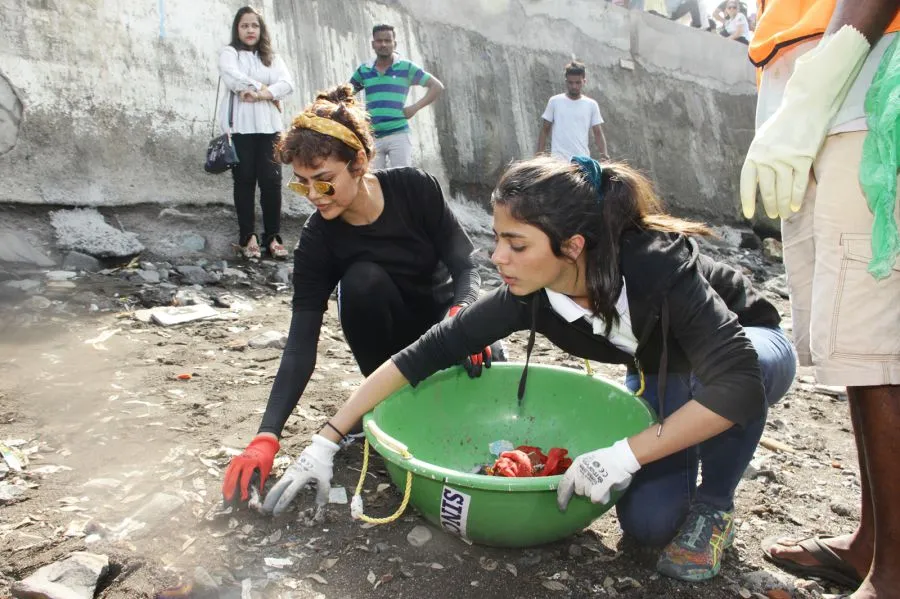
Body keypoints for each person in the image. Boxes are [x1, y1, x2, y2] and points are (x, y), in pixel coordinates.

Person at [261, 155, 797, 583]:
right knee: (650, 525)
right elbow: (421, 355)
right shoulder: (530, 291)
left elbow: (739, 379)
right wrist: (327, 439)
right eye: (497, 240)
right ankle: (676, 424)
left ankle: (715, 504)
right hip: (661, 368)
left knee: (724, 384)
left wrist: (622, 453)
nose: (498, 258)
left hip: (748, 346)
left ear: (572, 247)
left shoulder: (655, 264)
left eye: (516, 244)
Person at [221, 84, 501, 508]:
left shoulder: (414, 188)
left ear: (359, 164)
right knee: (361, 281)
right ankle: (388, 399)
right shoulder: (317, 242)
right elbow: (300, 345)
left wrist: (463, 318)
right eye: (302, 185)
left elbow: (466, 265)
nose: (314, 196)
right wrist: (267, 435)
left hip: (450, 328)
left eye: (325, 182)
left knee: (491, 403)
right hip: (390, 353)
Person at [741, 1, 900, 596]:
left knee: (878, 341)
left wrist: (816, 86)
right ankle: (871, 544)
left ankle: (893, 577)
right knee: (854, 347)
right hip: (810, 80)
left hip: (863, 74)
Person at [218, 6, 294, 260]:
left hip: (270, 129)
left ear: (261, 30)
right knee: (245, 181)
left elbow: (287, 84)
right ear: (237, 29)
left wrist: (261, 94)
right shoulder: (230, 53)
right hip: (241, 129)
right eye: (245, 25)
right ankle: (247, 237)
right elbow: (231, 77)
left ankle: (272, 237)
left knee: (272, 183)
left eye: (255, 25)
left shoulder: (271, 57)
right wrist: (264, 86)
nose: (250, 30)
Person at [349, 24, 445, 170]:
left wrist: (414, 108)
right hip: (372, 136)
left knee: (402, 179)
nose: (383, 44)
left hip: (398, 133)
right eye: (379, 41)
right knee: (375, 182)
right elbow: (346, 93)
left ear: (395, 43)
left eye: (388, 40)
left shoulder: (406, 68)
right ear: (373, 44)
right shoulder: (364, 70)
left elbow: (437, 86)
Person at [536, 61, 608, 161]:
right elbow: (544, 130)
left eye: (578, 82)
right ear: (566, 82)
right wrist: (539, 157)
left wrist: (605, 156)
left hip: (582, 162)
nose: (574, 86)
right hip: (558, 162)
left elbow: (598, 133)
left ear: (584, 81)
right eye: (570, 82)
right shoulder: (554, 102)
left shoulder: (591, 105)